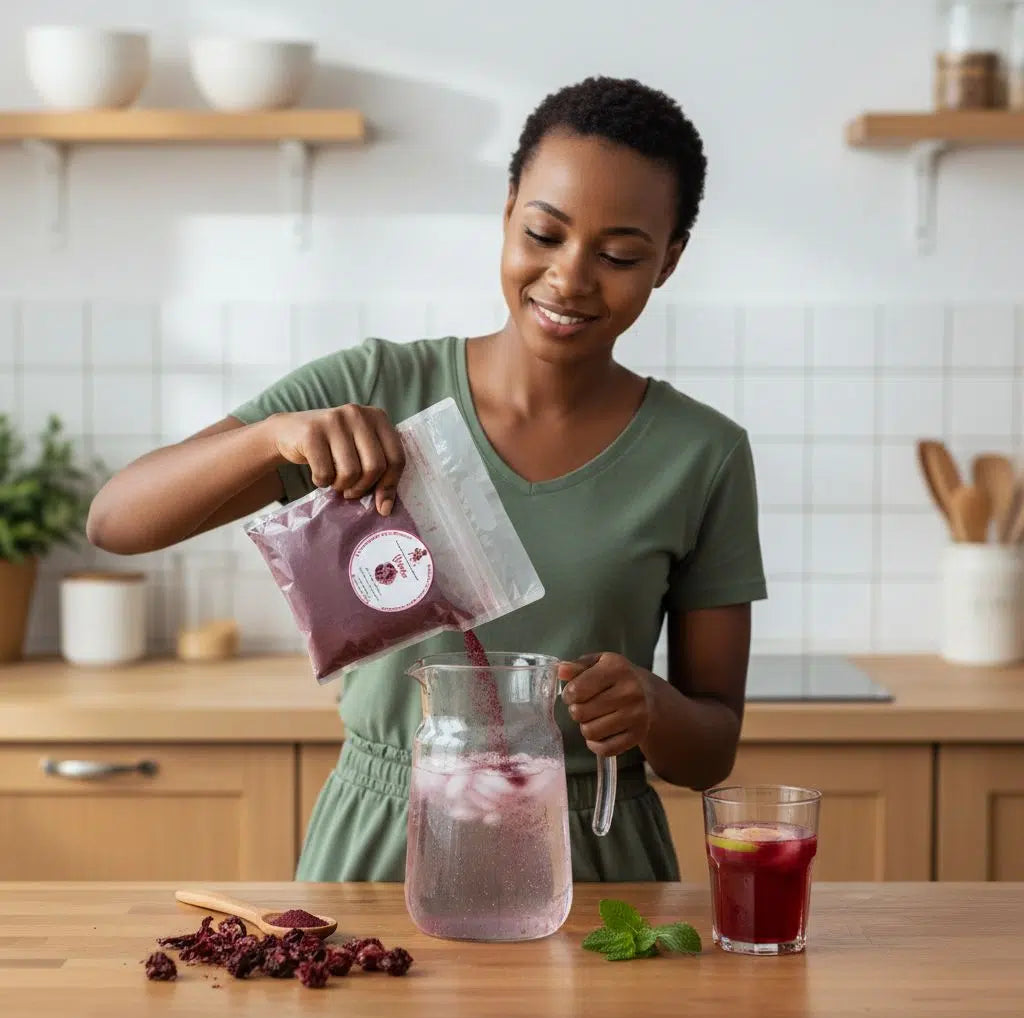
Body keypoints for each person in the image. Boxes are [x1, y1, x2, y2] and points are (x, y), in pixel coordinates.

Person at [87, 75, 766, 883]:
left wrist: (650, 708)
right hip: (383, 849)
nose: (571, 277)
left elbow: (710, 752)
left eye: (619, 255)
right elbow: (116, 521)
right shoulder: (375, 386)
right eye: (544, 233)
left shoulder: (702, 454)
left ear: (669, 260)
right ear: (507, 211)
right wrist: (274, 437)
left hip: (591, 861)